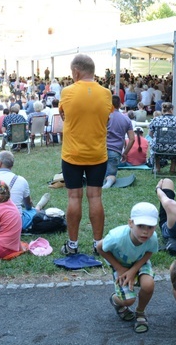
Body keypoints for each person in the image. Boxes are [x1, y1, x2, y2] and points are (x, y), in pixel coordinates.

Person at [59, 54, 113, 256]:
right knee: (95, 196)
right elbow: (107, 118)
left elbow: (64, 115)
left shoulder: (67, 92)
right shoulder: (107, 93)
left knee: (74, 196)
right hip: (98, 153)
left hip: (72, 153)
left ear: (76, 72)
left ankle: (72, 245)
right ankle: (98, 244)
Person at [96, 202, 159, 334]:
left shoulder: (152, 238)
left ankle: (140, 313)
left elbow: (149, 252)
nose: (145, 231)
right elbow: (100, 247)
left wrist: (134, 270)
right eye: (140, 226)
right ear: (130, 223)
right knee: (128, 301)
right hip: (120, 265)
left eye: (150, 227)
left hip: (140, 262)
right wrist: (119, 268)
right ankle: (115, 299)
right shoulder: (116, 237)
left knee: (148, 285)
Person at [0, 150, 45, 231]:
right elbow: (28, 205)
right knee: (32, 212)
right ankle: (38, 208)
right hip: (13, 224)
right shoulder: (21, 180)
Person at [103, 95, 135, 189]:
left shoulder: (104, 117)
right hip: (116, 151)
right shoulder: (126, 119)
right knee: (111, 174)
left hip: (101, 148)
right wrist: (125, 153)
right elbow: (132, 139)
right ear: (120, 104)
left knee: (97, 172)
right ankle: (109, 181)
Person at [148, 102, 176, 175]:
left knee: (154, 143)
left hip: (159, 147)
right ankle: (173, 167)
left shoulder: (156, 120)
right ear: (171, 110)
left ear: (162, 110)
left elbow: (150, 135)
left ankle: (157, 167)